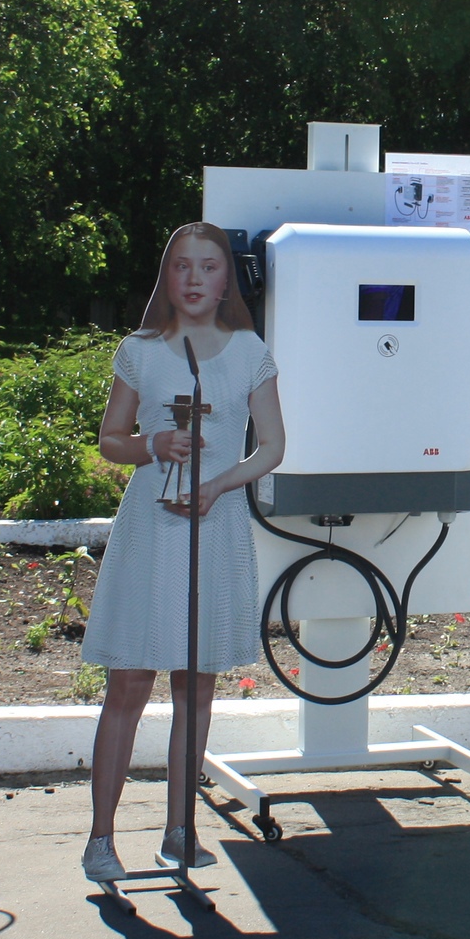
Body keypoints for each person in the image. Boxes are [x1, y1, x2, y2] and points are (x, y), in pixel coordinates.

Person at [81, 223, 287, 880]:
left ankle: (179, 831)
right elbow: (111, 437)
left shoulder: (251, 351)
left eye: (208, 266)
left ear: (227, 279)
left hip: (216, 523)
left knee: (196, 684)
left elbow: (274, 446)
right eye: (181, 267)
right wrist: (151, 446)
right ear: (166, 278)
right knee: (130, 679)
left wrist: (221, 484)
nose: (195, 279)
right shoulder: (139, 351)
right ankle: (100, 839)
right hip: (152, 528)